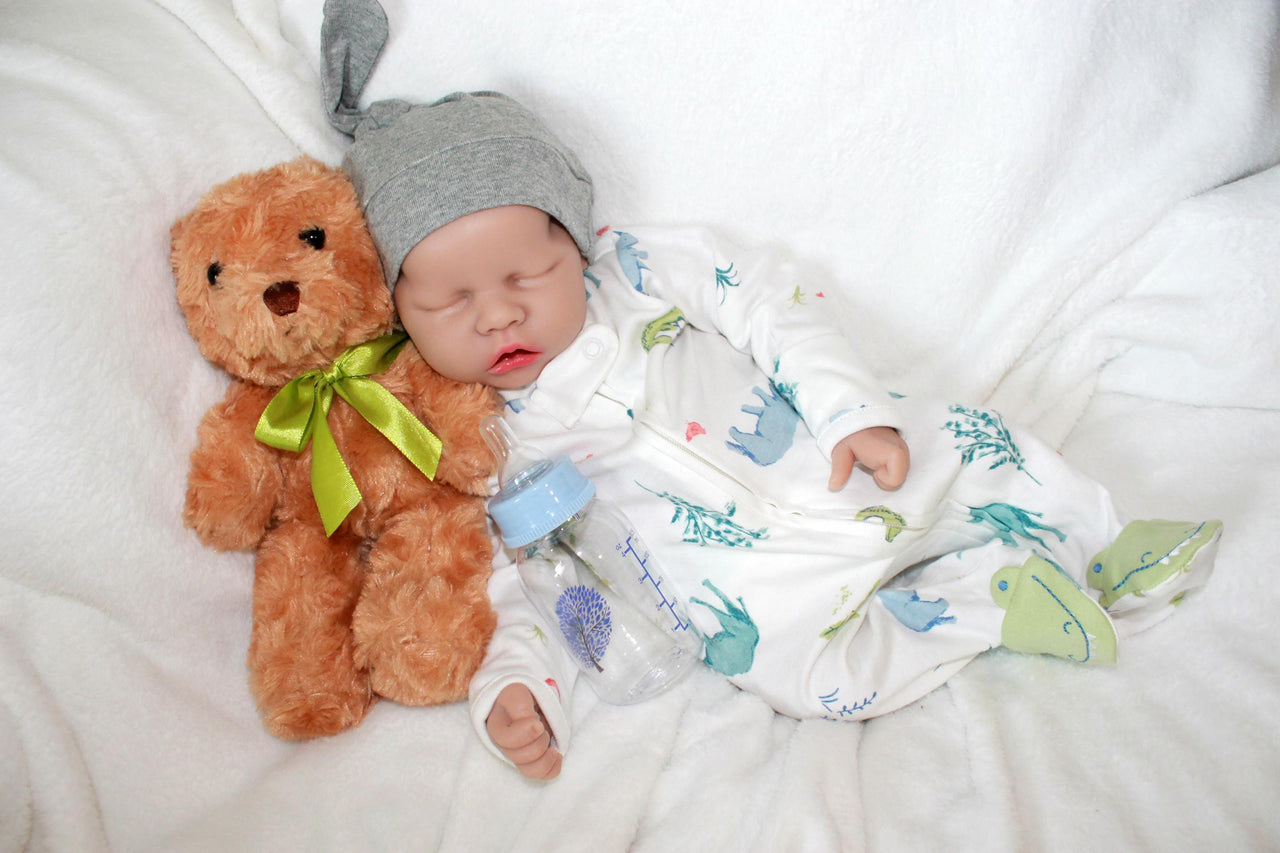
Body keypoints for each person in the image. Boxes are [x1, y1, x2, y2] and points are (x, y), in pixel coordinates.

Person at [320, 0, 1223, 781]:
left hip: (835, 460)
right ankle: (997, 603)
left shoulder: (637, 274)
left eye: (527, 274)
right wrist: (516, 683)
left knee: (974, 449)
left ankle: (1108, 541)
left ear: (576, 237)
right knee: (816, 682)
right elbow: (526, 582)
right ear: (398, 310)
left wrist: (848, 410)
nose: (498, 315)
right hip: (754, 588)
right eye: (449, 303)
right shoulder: (468, 445)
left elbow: (769, 304)